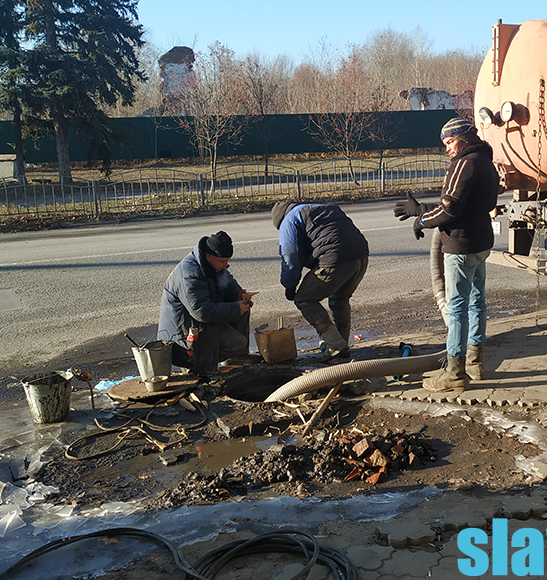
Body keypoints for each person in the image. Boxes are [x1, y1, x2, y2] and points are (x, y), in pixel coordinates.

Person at [393, 117, 500, 391]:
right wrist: (422, 209)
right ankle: (475, 363)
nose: (447, 148)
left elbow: (451, 209)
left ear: (464, 139)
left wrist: (422, 221)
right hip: (480, 243)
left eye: (450, 142)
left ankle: (454, 373)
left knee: (458, 308)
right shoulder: (486, 162)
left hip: (460, 246)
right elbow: (470, 203)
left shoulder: (462, 164)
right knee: (477, 303)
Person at [271, 201, 369, 362]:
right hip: (361, 255)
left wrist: (290, 285)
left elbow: (290, 256)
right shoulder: (321, 208)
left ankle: (336, 345)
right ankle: (341, 343)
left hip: (335, 257)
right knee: (340, 299)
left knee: (304, 299)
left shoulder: (288, 220)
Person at [157, 231, 256, 373]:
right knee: (237, 343)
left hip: (199, 322)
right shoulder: (190, 275)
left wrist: (238, 294)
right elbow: (201, 311)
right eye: (223, 261)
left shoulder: (212, 264)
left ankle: (236, 359)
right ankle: (196, 364)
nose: (226, 265)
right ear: (209, 256)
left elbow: (227, 282)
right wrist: (235, 309)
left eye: (227, 261)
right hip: (184, 336)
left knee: (243, 309)